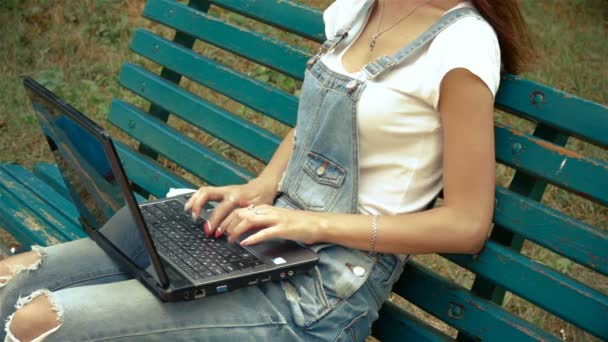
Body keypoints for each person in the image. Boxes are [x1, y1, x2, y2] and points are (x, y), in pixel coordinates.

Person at [0, 0, 534, 340]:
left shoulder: (461, 45)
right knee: (12, 279)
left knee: (39, 323)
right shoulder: (360, 8)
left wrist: (312, 225)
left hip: (328, 287)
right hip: (266, 239)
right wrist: (261, 187)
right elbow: (315, 123)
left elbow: (466, 224)